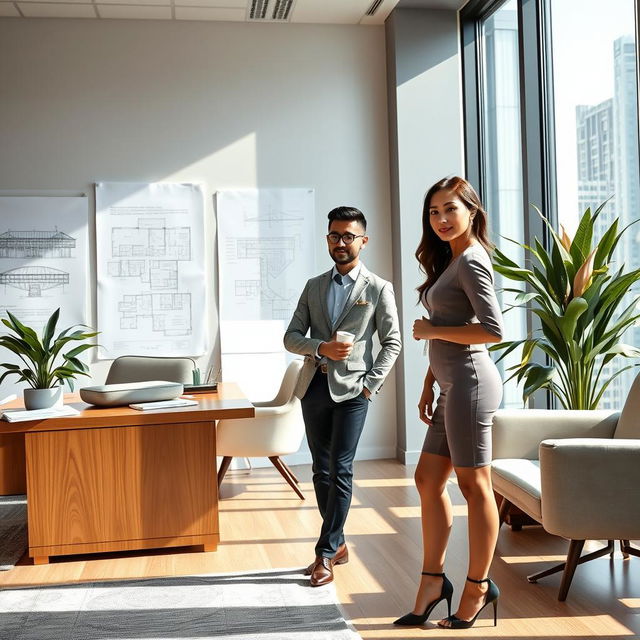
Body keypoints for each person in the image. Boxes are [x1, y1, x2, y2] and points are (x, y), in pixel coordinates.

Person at [394, 177, 503, 629]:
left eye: (449, 209)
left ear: (472, 211)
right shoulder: (451, 260)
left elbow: (493, 331)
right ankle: (433, 581)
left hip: (472, 384)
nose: (440, 219)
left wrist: (431, 333)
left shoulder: (472, 261)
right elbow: (445, 324)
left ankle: (478, 587)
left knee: (475, 486)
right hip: (450, 384)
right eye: (433, 212)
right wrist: (428, 382)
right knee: (426, 479)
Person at [284, 206, 401, 587]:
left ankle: (324, 552)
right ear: (328, 239)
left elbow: (392, 342)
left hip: (353, 392)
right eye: (334, 235)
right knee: (321, 470)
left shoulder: (378, 288)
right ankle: (339, 544)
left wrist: (371, 385)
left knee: (342, 468)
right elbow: (291, 337)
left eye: (348, 236)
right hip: (314, 387)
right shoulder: (313, 286)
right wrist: (321, 348)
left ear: (363, 241)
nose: (340, 242)